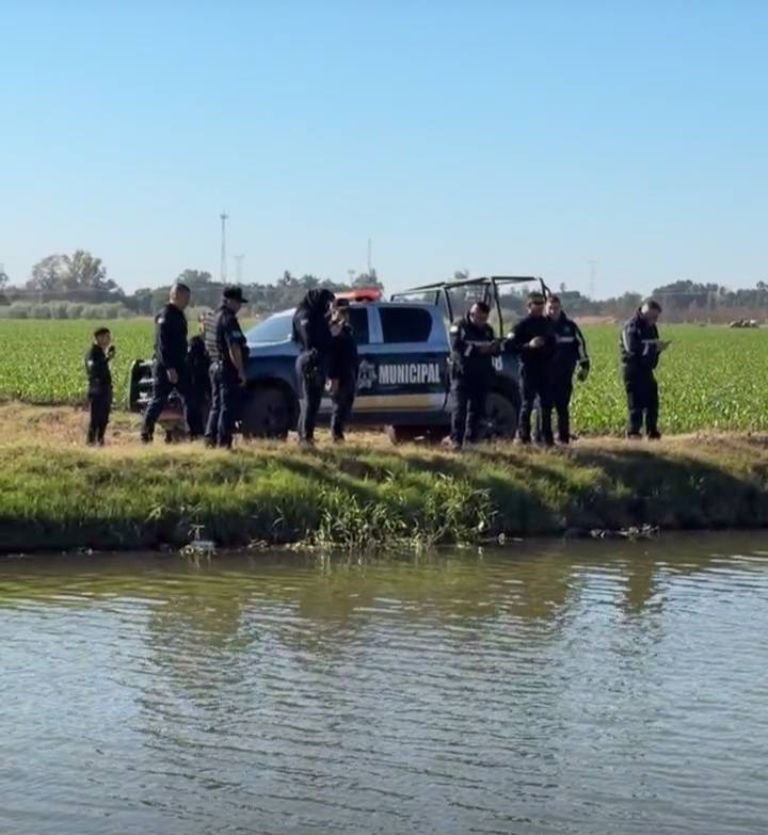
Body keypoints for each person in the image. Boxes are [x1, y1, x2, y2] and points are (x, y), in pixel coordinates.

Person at [141, 283, 191, 443]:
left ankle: (192, 432)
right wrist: (169, 368)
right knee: (158, 400)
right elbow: (163, 345)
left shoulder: (178, 314)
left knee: (189, 398)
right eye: (185, 298)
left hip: (179, 364)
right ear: (176, 296)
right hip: (166, 366)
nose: (187, 302)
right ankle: (146, 433)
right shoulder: (166, 315)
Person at [448, 301, 500, 449]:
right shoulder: (459, 326)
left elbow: (494, 349)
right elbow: (456, 346)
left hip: (481, 375)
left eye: (483, 318)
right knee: (460, 408)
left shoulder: (488, 330)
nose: (479, 321)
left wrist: (494, 348)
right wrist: (477, 351)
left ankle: (471, 440)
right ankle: (456, 440)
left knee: (477, 409)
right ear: (471, 314)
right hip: (462, 374)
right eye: (476, 317)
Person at [509, 291, 555, 445]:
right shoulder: (521, 325)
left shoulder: (548, 324)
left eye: (542, 303)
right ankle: (524, 437)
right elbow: (510, 346)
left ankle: (545, 438)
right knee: (527, 404)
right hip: (528, 368)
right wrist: (529, 345)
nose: (540, 307)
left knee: (546, 404)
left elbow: (554, 343)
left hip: (545, 368)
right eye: (537, 304)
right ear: (529, 306)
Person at [205, 286, 248, 449]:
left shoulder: (213, 317)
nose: (239, 306)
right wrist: (241, 371)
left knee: (216, 406)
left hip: (214, 366)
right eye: (237, 302)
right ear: (228, 301)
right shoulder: (228, 319)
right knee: (227, 407)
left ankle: (210, 439)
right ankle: (223, 442)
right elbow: (234, 348)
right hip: (226, 368)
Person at [543, 295, 590, 444]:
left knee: (562, 407)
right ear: (546, 308)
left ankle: (563, 438)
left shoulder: (570, 327)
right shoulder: (541, 326)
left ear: (560, 308)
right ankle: (545, 439)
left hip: (565, 373)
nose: (553, 311)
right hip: (545, 374)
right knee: (545, 408)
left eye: (555, 308)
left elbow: (580, 345)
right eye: (550, 308)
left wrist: (585, 366)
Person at [621, 298, 669, 439]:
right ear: (645, 312)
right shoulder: (631, 326)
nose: (655, 319)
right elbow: (631, 348)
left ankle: (652, 431)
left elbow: (652, 346)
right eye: (653, 316)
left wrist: (658, 349)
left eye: (656, 317)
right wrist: (653, 347)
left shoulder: (652, 327)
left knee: (652, 401)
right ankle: (633, 432)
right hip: (632, 369)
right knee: (635, 403)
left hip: (646, 369)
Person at [293, 288, 335, 445]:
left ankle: (304, 435)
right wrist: (331, 332)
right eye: (326, 302)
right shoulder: (307, 316)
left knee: (311, 401)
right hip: (311, 361)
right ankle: (306, 436)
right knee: (311, 401)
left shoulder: (308, 313)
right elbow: (312, 340)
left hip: (310, 358)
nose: (327, 306)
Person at [328, 301, 359, 442]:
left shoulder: (347, 329)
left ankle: (339, 432)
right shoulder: (333, 330)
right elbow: (333, 356)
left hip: (349, 372)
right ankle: (336, 435)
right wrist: (332, 377)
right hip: (338, 374)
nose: (345, 315)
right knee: (338, 406)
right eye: (342, 312)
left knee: (346, 405)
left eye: (346, 312)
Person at [84, 327, 115, 445]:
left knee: (104, 419)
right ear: (99, 338)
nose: (108, 340)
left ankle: (100, 441)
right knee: (96, 419)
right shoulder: (92, 352)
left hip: (105, 389)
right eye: (106, 337)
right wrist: (107, 359)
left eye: (109, 337)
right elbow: (93, 368)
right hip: (97, 389)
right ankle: (91, 443)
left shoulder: (101, 352)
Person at [186, 314, 211, 440]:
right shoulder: (195, 341)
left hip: (211, 376)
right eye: (203, 322)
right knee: (195, 406)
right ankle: (196, 433)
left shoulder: (215, 340)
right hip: (197, 377)